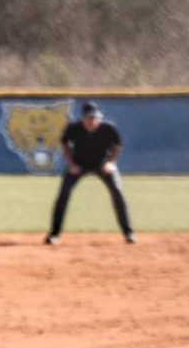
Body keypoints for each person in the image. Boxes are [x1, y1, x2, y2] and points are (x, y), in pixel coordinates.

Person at [44, 101, 136, 245]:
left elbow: (118, 145)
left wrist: (111, 162)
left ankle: (129, 233)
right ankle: (54, 234)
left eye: (95, 117)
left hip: (102, 164)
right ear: (83, 119)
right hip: (79, 164)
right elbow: (63, 144)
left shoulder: (108, 129)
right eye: (89, 118)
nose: (93, 120)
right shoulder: (74, 129)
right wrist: (72, 164)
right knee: (64, 193)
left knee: (117, 190)